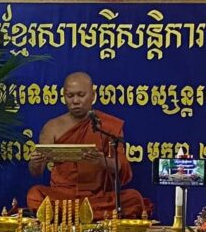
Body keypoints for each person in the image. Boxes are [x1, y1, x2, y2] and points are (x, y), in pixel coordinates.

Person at [26, 72, 151, 219]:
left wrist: (101, 161)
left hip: (97, 196)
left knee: (133, 199)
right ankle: (91, 216)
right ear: (64, 96)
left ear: (93, 95)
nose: (75, 101)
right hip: (63, 196)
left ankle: (72, 216)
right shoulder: (52, 127)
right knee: (35, 195)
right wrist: (35, 162)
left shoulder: (106, 126)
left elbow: (121, 168)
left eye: (81, 95)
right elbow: (36, 171)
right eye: (70, 96)